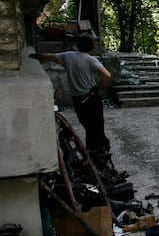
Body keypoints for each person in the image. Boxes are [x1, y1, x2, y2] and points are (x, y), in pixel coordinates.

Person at [30, 35, 112, 163]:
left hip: (77, 99)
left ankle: (95, 150)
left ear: (78, 45)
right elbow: (107, 75)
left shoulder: (68, 56)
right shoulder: (90, 60)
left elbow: (48, 56)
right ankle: (98, 152)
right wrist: (98, 87)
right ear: (92, 46)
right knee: (96, 126)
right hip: (91, 97)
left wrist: (35, 56)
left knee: (87, 125)